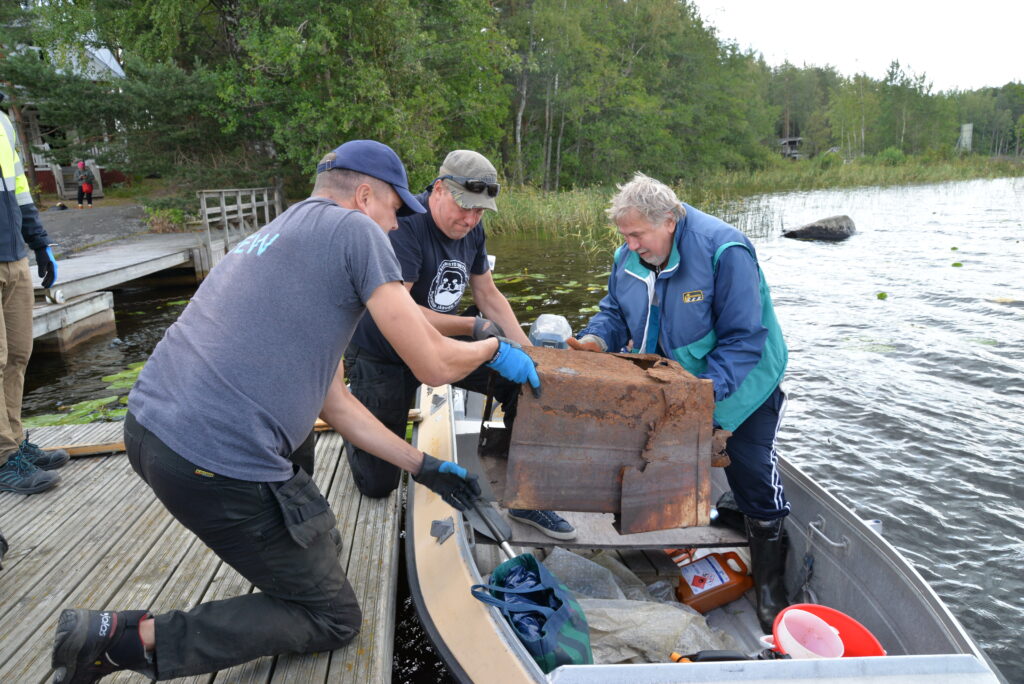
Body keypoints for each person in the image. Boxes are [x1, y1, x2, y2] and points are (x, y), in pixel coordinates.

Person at [49, 139, 541, 683]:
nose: (398, 227)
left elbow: (337, 402)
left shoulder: (280, 231)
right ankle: (122, 639)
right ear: (362, 196)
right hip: (214, 461)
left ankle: (282, 570)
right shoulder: (356, 230)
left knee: (323, 537)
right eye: (395, 210)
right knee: (334, 618)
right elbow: (431, 365)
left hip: (149, 431)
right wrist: (495, 348)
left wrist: (422, 466)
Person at [568, 172, 789, 632]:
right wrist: (595, 338)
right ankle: (707, 516)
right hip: (678, 378)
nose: (630, 245)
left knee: (748, 468)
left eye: (637, 234)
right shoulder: (628, 256)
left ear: (669, 220)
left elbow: (744, 338)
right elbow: (614, 310)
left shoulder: (725, 251)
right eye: (624, 235)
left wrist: (702, 403)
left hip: (745, 380)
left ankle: (771, 588)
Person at [346, 149, 576, 540]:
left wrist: (529, 354)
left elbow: (488, 294)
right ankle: (359, 421)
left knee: (521, 383)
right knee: (377, 485)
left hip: (445, 342)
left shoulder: (472, 228)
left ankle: (524, 495)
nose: (470, 219)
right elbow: (401, 315)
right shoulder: (404, 225)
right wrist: (473, 325)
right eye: (464, 207)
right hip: (382, 352)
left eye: (480, 212)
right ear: (439, 188)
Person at [0, 103, 69, 496]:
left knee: (19, 354)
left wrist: (40, 243)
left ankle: (12, 440)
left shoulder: (2, 121)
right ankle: (2, 457)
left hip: (14, 256)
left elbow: (20, 189)